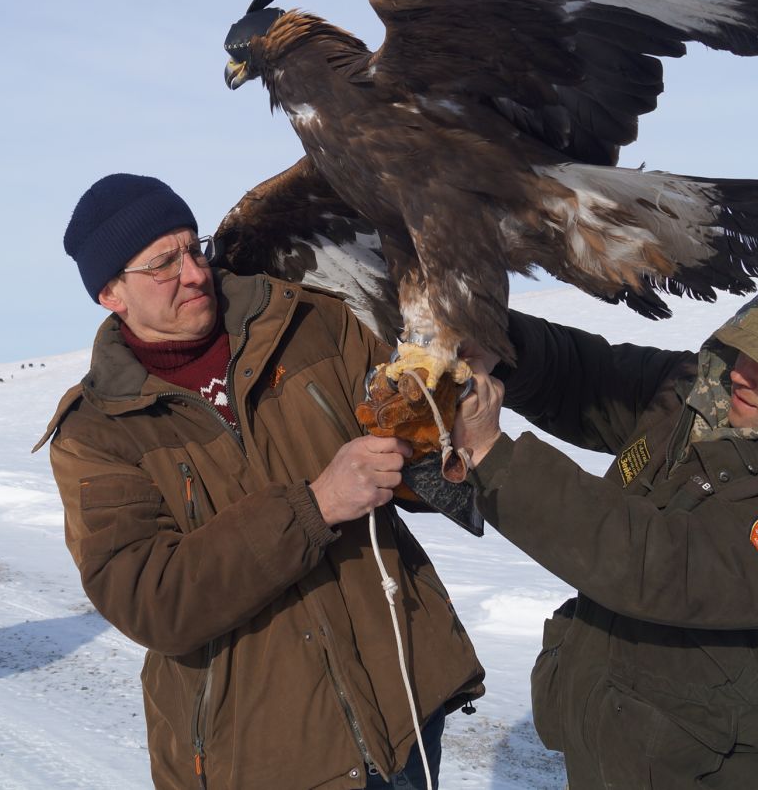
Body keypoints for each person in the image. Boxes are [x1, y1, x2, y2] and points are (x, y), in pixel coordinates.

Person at [37, 175, 484, 790]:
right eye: (163, 264)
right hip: (266, 755)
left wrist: (454, 426)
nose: (194, 273)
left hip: (403, 702)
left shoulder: (307, 322)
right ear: (111, 293)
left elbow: (415, 453)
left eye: (194, 248)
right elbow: (152, 598)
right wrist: (315, 506)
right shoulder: (98, 431)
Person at [450, 264, 758, 789]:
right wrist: (497, 345)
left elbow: (665, 568)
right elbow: (586, 377)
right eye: (745, 348)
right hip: (614, 742)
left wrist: (492, 455)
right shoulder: (698, 398)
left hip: (700, 769)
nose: (742, 373)